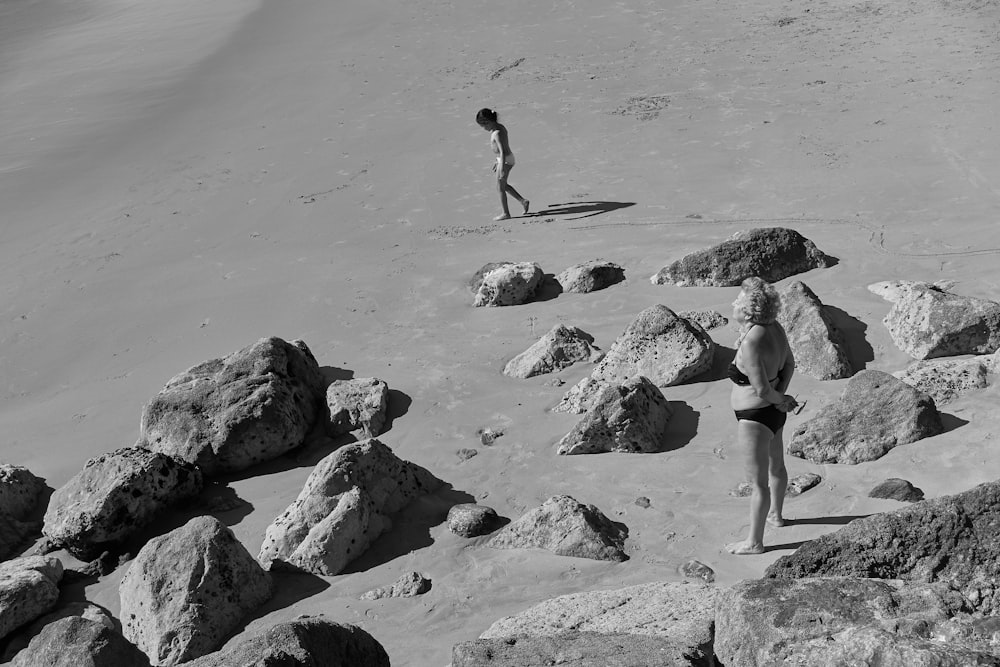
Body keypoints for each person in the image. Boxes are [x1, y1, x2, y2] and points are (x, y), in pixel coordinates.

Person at [725, 277, 798, 555]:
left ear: (748, 310)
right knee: (776, 467)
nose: (734, 303)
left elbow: (761, 389)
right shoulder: (774, 328)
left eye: (739, 301)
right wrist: (782, 399)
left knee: (758, 483)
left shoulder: (752, 341)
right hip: (771, 413)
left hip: (753, 415)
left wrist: (782, 399)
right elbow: (789, 364)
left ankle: (754, 542)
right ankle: (776, 516)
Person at [475, 108, 529, 221]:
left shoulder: (497, 133)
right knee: (502, 185)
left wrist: (502, 166)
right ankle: (523, 201)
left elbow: (502, 150)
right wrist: (497, 160)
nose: (483, 129)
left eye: (483, 126)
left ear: (487, 122)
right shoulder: (499, 128)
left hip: (505, 160)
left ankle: (506, 213)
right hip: (504, 159)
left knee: (500, 187)